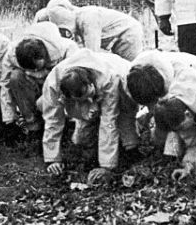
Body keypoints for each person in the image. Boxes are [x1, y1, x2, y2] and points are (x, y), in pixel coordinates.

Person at [40, 49, 140, 184]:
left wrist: (106, 166)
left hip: (120, 80)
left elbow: (109, 121)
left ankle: (131, 148)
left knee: (123, 118)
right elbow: (53, 121)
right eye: (82, 99)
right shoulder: (53, 84)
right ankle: (97, 145)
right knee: (82, 141)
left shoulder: (108, 77)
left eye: (88, 96)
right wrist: (52, 159)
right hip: (88, 96)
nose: (88, 102)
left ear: (90, 83)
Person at [0, 21, 79, 143]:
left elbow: (74, 83)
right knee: (15, 77)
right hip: (32, 88)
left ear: (43, 55)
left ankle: (67, 123)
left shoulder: (68, 49)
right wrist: (8, 119)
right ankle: (34, 127)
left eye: (38, 68)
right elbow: (5, 84)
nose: (36, 71)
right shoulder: (11, 55)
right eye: (32, 69)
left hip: (57, 90)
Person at [125, 49, 196, 156]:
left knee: (175, 124)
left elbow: (184, 116)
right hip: (167, 92)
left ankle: (173, 153)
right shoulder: (136, 76)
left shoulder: (183, 80)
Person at [45, 0, 143, 61]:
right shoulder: (79, 20)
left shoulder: (88, 20)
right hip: (117, 38)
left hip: (129, 33)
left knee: (129, 68)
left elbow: (92, 55)